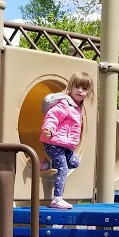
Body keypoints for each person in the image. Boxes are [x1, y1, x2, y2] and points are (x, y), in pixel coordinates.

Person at [40, 71, 94, 209]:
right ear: (71, 87)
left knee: (74, 162)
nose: (80, 91)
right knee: (63, 168)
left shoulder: (78, 108)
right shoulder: (65, 104)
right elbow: (53, 116)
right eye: (77, 87)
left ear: (88, 92)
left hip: (64, 145)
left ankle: (47, 165)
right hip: (53, 142)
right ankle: (57, 199)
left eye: (84, 89)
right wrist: (49, 129)